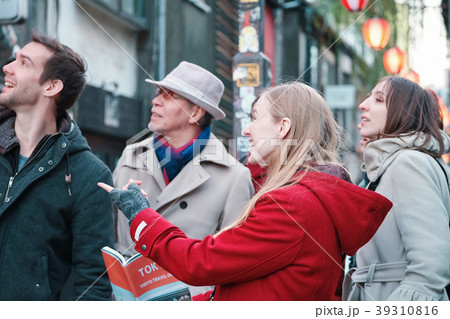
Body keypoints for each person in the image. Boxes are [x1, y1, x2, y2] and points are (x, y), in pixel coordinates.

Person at [100, 82, 393, 301]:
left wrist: (141, 215)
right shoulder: (306, 195)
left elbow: (200, 262)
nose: (248, 130)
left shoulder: (291, 204)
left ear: (283, 128)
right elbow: (251, 281)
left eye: (255, 118)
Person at [113, 61, 253, 295]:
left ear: (195, 113)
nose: (155, 100)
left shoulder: (234, 177)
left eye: (168, 96)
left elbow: (232, 266)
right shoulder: (131, 156)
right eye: (158, 93)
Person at [0, 33, 114, 300]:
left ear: (51, 87)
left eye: (23, 63)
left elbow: (94, 282)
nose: (7, 67)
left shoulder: (90, 176)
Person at [344, 76, 450, 301]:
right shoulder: (398, 162)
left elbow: (429, 269)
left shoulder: (408, 163)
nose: (363, 104)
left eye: (379, 99)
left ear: (403, 113)